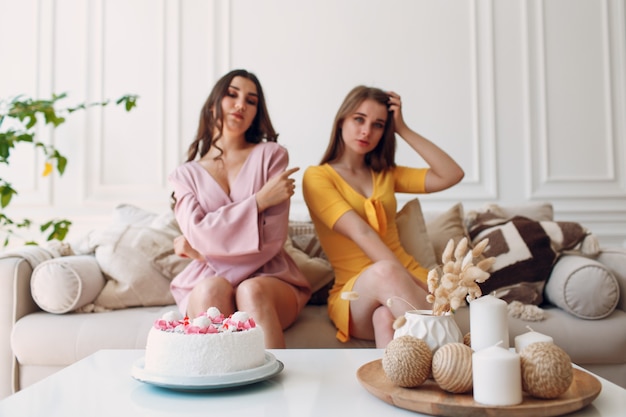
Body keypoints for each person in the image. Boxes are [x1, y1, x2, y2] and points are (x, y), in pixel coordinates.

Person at [302, 86, 464, 348]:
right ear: (342, 119)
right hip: (356, 294)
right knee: (385, 273)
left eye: (378, 125)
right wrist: (410, 282)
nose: (367, 130)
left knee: (385, 317)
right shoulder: (317, 177)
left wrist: (403, 129)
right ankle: (454, 357)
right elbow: (361, 232)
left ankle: (395, 382)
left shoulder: (387, 174)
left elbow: (451, 174)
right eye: (359, 119)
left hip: (405, 281)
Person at [169, 69, 311, 348]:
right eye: (232, 95)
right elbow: (198, 233)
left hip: (269, 276)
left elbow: (271, 240)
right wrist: (257, 202)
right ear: (213, 105)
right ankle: (211, 388)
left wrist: (205, 251)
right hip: (206, 280)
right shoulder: (184, 175)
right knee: (212, 289)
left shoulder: (271, 156)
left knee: (251, 289)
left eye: (251, 100)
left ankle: (275, 391)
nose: (240, 105)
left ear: (256, 112)